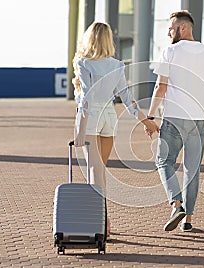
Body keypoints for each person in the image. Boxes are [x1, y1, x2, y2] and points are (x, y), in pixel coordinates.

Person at [145, 11, 204, 232]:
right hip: (199, 119)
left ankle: (176, 203)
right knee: (192, 170)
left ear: (183, 28)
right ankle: (188, 220)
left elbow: (160, 87)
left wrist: (150, 115)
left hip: (174, 117)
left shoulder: (171, 51)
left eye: (171, 27)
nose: (168, 32)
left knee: (164, 161)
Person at [72, 22, 159, 236]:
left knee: (95, 171)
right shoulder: (117, 65)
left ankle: (100, 222)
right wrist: (146, 120)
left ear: (89, 39)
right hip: (109, 117)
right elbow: (128, 100)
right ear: (108, 39)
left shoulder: (84, 63)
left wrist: (79, 129)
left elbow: (86, 96)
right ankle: (104, 220)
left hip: (91, 116)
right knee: (100, 170)